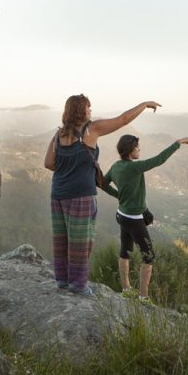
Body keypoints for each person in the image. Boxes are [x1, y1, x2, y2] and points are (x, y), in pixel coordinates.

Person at [44, 95, 161, 296]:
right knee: (81, 242)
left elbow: (48, 163)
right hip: (81, 196)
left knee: (61, 240)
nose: (91, 111)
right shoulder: (90, 130)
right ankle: (79, 285)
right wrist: (144, 104)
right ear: (81, 111)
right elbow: (123, 120)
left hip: (58, 195)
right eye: (88, 107)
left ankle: (62, 280)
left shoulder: (57, 135)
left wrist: (69, 166)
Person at [102, 135, 188, 304]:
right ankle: (143, 297)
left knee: (125, 251)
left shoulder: (116, 166)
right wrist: (177, 143)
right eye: (137, 147)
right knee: (149, 256)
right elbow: (159, 159)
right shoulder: (134, 168)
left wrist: (120, 197)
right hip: (133, 219)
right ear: (130, 150)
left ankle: (126, 289)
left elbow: (102, 183)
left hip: (122, 215)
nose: (139, 150)